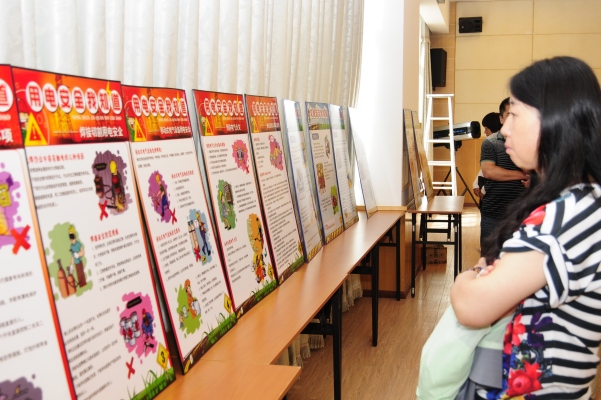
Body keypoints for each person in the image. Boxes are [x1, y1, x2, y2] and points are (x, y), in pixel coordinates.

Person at [451, 56, 601, 398]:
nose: (504, 128)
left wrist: (468, 277)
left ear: (554, 121)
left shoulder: (562, 217)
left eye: (515, 114)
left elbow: (472, 306)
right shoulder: (584, 198)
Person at [478, 98, 529, 252]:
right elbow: (489, 171)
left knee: (518, 258)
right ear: (501, 119)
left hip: (522, 213)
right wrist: (522, 175)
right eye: (509, 115)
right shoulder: (490, 142)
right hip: (493, 213)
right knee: (490, 257)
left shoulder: (530, 141)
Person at [472, 112, 503, 199]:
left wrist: (484, 190)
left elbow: (495, 172)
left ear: (494, 128)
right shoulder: (489, 143)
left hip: (495, 193)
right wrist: (475, 184)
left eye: (486, 128)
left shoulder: (501, 145)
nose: (484, 132)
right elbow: (485, 167)